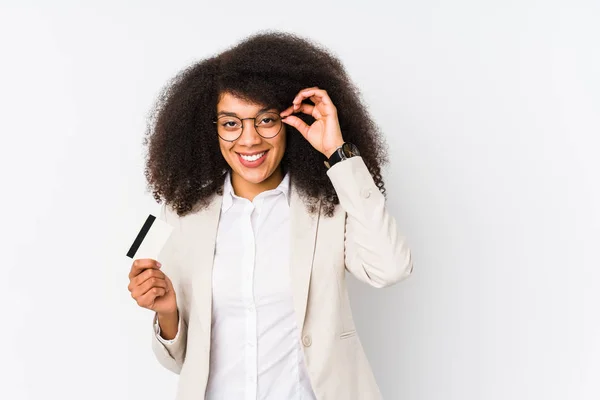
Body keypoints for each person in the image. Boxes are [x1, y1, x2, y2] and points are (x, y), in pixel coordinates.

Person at [127, 31, 413, 400]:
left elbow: (390, 268)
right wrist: (167, 313)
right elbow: (179, 362)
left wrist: (338, 153)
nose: (249, 140)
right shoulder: (180, 215)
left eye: (266, 120)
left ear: (290, 120)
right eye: (231, 123)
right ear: (208, 130)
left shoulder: (328, 208)